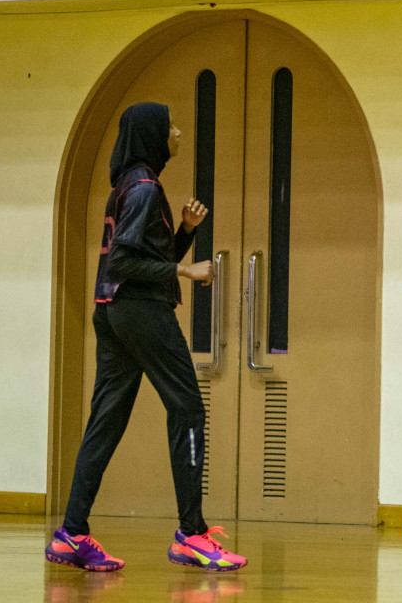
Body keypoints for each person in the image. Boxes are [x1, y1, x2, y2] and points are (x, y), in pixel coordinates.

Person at [47, 103, 246, 573]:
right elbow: (123, 263)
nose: (178, 131)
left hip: (112, 313)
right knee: (189, 410)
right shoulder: (143, 189)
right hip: (141, 314)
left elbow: (136, 262)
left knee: (107, 420)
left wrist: (184, 234)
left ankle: (70, 534)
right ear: (154, 134)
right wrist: (182, 267)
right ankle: (192, 536)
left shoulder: (128, 185)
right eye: (171, 125)